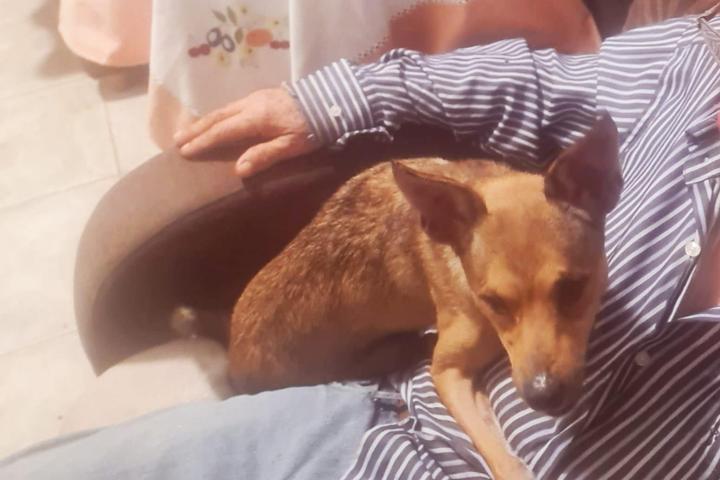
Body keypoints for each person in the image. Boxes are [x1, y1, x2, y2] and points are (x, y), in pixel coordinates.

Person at [4, 9, 720, 480]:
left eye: (568, 291)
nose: (541, 373)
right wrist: (326, 100)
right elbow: (534, 79)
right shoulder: (693, 57)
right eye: (500, 305)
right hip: (365, 430)